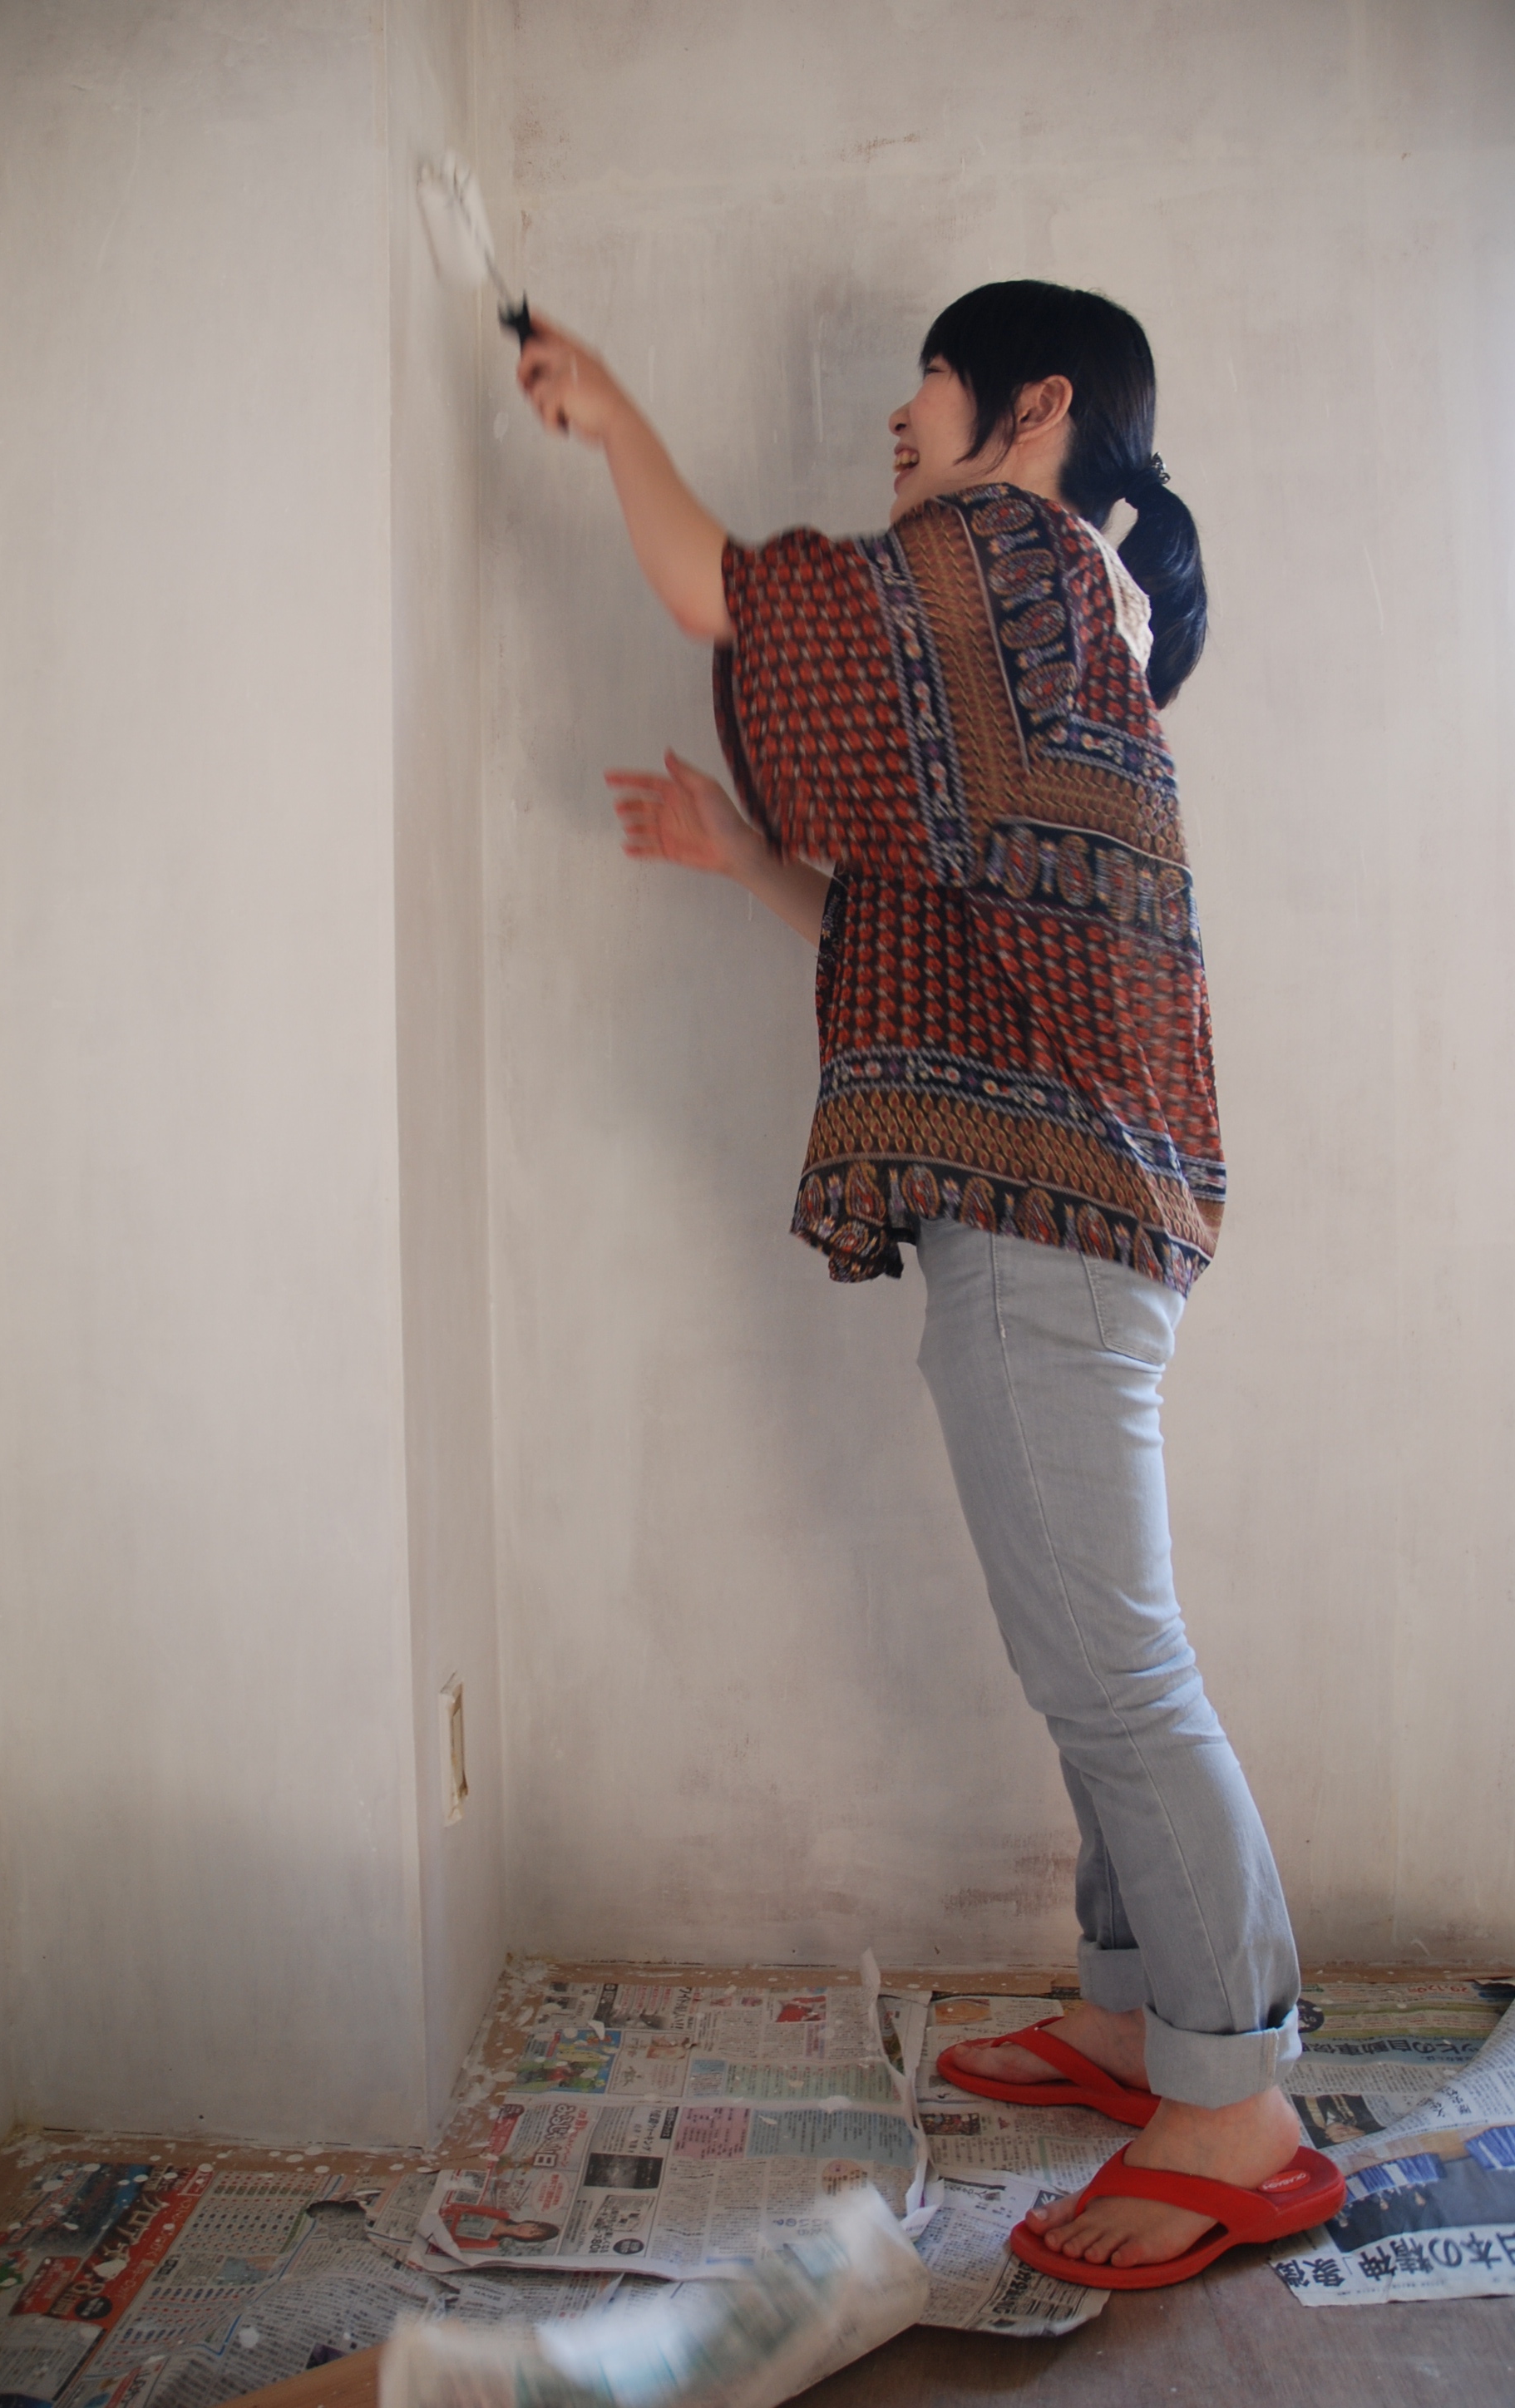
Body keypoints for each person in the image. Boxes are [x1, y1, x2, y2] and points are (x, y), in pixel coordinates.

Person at [516, 280, 1322, 2283]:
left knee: (1115, 1665)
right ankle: (1144, 2013)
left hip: (1048, 1219)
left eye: (930, 381)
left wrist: (609, 410)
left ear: (1035, 407)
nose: (901, 415)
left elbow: (729, 596)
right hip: (1059, 1209)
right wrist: (739, 856)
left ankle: (1239, 2105)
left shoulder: (1015, 565)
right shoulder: (1054, 633)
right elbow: (931, 918)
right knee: (1085, 1655)